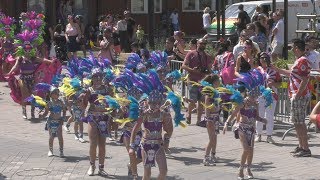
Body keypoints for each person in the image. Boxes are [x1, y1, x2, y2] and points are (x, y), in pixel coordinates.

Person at [272, 39, 311, 157]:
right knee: (297, 122)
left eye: (293, 47)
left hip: (299, 96)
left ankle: (305, 148)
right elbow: (292, 74)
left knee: (299, 122)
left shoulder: (303, 60)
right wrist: (277, 69)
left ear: (298, 48)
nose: (292, 50)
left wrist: (298, 94)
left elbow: (305, 79)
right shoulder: (299, 60)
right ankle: (301, 146)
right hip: (296, 95)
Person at [223, 81, 267, 180]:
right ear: (249, 94)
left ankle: (249, 168)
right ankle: (241, 169)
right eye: (253, 96)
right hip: (242, 127)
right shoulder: (242, 102)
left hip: (251, 129)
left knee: (251, 150)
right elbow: (234, 114)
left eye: (255, 97)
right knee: (246, 149)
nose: (254, 98)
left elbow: (256, 117)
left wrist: (263, 120)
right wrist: (226, 123)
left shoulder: (256, 104)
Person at [83, 68, 114, 176]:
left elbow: (113, 102)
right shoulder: (89, 90)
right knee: (93, 144)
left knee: (102, 145)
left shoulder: (107, 89)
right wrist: (81, 97)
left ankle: (101, 167)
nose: (97, 79)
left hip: (104, 119)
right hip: (92, 118)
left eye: (99, 76)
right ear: (92, 78)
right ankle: (92, 166)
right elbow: (83, 105)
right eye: (95, 77)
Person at [181, 38, 213, 125]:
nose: (202, 45)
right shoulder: (191, 53)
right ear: (197, 44)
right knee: (193, 99)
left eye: (204, 44)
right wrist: (193, 70)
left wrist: (211, 75)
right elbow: (183, 66)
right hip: (192, 80)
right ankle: (189, 113)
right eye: (201, 43)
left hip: (202, 82)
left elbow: (210, 69)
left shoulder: (207, 56)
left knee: (201, 101)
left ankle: (199, 120)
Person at [255, 52, 281, 143]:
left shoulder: (274, 70)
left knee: (269, 116)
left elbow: (280, 83)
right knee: (259, 115)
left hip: (271, 95)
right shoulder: (257, 70)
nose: (263, 59)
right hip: (260, 96)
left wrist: (273, 83)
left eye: (265, 57)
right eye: (261, 57)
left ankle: (269, 136)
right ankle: (259, 135)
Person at [39, 87, 67, 157]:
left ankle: (61, 151)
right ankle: (50, 150)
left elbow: (64, 110)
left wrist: (63, 117)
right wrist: (42, 115)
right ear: (51, 95)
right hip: (51, 121)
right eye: (55, 93)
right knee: (51, 136)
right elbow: (45, 113)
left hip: (59, 121)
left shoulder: (61, 102)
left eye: (57, 93)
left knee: (60, 136)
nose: (57, 95)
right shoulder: (49, 103)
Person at [202, 74, 221, 166]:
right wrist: (208, 119)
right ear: (214, 82)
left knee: (215, 137)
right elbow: (206, 107)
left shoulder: (216, 91)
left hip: (216, 117)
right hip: (211, 118)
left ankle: (213, 155)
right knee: (212, 138)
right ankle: (206, 158)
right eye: (218, 81)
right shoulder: (209, 93)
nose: (220, 82)